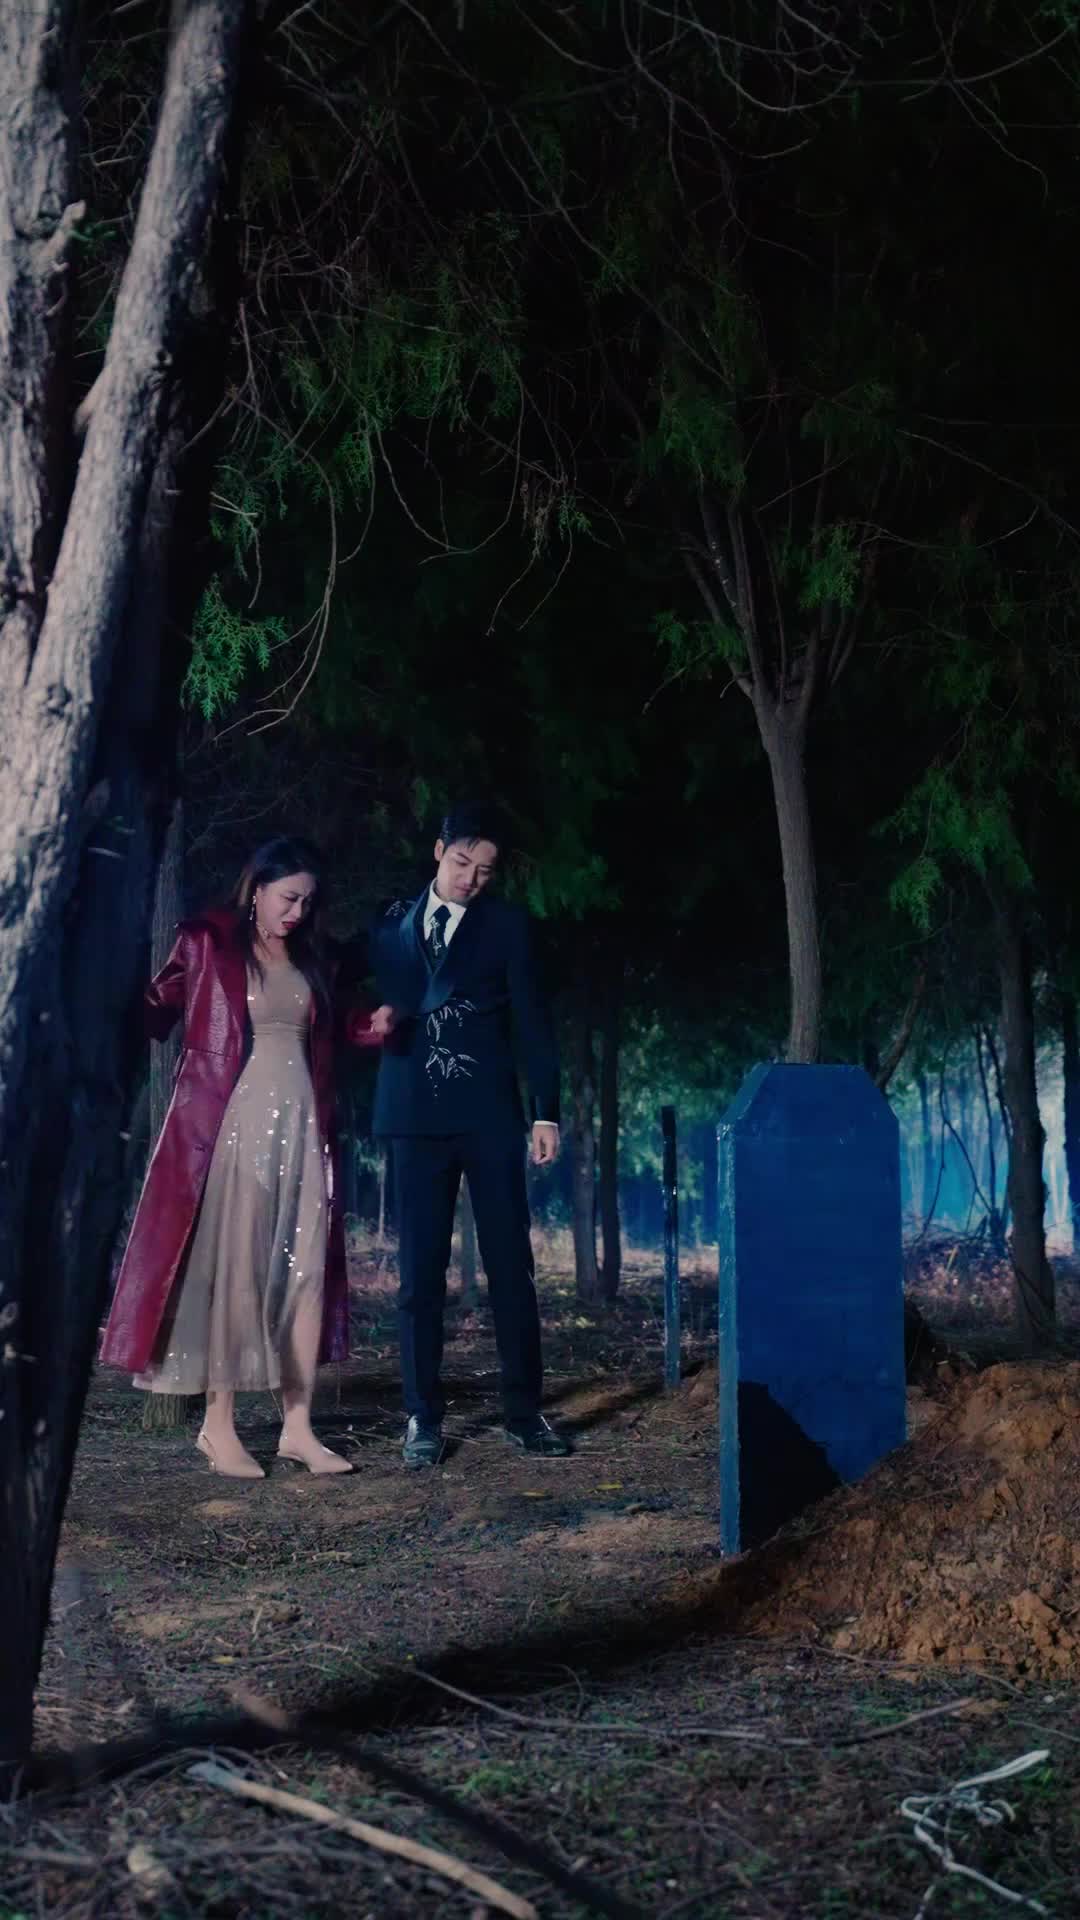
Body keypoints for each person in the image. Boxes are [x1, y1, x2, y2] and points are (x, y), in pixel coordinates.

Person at [100, 835, 381, 1478]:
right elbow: (153, 1008)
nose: (297, 912)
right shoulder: (208, 943)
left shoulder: (313, 958)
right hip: (238, 1129)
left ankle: (298, 1430)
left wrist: (377, 1025)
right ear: (257, 888)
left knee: (307, 1272)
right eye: (288, 898)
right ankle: (217, 1426)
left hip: (306, 1131)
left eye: (307, 902)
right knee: (237, 1273)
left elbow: (339, 1027)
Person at [369, 802, 570, 1467]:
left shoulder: (507, 926)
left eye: (485, 870)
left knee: (511, 1267)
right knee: (418, 1277)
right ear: (439, 851)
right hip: (412, 1117)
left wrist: (545, 1111)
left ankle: (524, 1413)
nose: (470, 879)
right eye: (461, 863)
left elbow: (533, 1021)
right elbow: (350, 986)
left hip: (489, 1116)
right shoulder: (391, 920)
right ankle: (422, 1418)